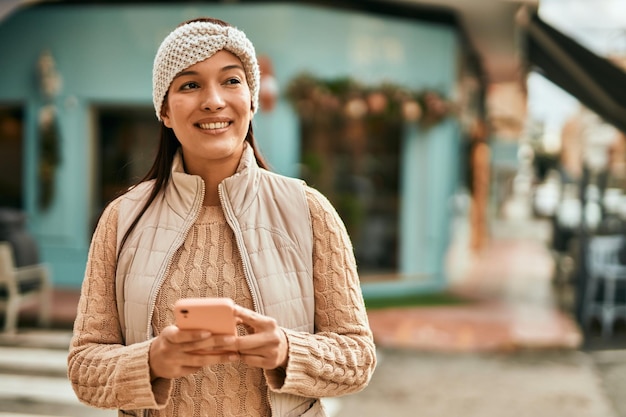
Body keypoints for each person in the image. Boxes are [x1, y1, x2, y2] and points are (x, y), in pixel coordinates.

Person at [67, 17, 376, 417]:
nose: (213, 100)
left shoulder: (310, 211)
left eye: (231, 80)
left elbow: (357, 357)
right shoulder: (121, 219)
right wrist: (151, 362)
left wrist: (287, 350)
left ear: (251, 99)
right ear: (164, 110)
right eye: (190, 84)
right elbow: (83, 368)